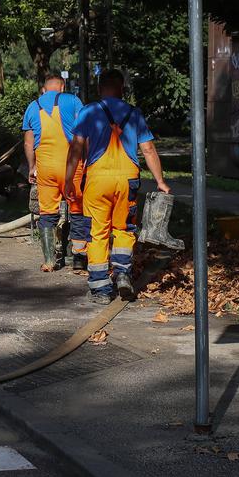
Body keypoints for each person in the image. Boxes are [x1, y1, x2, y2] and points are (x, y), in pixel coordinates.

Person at [65, 69, 170, 304]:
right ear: (122, 88)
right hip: (128, 179)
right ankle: (122, 273)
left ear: (100, 87)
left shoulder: (89, 111)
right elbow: (149, 149)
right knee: (124, 228)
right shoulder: (134, 113)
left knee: (98, 232)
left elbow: (76, 148)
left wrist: (68, 179)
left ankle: (101, 289)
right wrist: (161, 182)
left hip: (97, 180)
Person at [22, 73, 89, 272]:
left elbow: (28, 142)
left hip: (46, 168)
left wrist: (32, 167)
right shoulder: (73, 100)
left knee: (47, 214)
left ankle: (50, 260)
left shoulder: (33, 106)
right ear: (62, 87)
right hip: (72, 167)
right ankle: (79, 257)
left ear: (44, 89)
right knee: (77, 210)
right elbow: (85, 133)